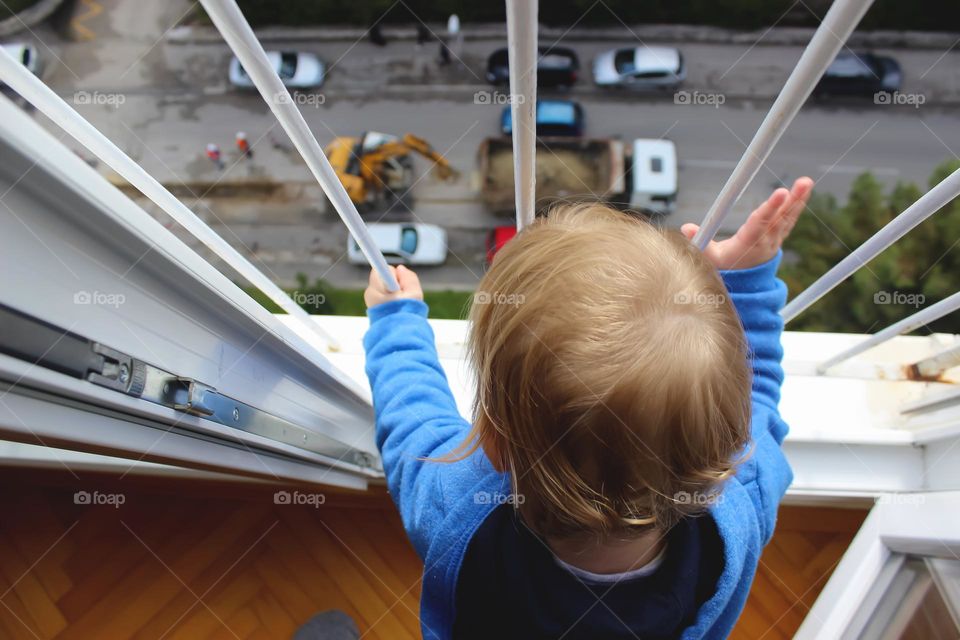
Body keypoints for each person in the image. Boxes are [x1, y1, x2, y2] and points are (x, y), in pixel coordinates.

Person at [362, 178, 813, 639]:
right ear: (730, 440)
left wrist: (396, 321)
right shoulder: (744, 498)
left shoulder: (456, 510)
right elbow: (758, 396)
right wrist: (746, 284)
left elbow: (411, 420)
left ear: (495, 444)